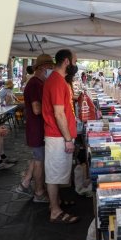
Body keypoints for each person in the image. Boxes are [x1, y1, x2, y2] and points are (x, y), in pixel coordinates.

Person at [42, 49, 79, 224]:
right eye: (75, 61)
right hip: (57, 136)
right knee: (54, 173)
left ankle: (55, 202)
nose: (75, 65)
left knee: (57, 172)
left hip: (59, 136)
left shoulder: (59, 80)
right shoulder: (56, 81)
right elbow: (59, 114)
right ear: (66, 62)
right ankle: (55, 210)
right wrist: (67, 139)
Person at [16, 54, 54, 202]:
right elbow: (37, 109)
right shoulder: (35, 84)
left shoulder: (39, 83)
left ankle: (25, 183)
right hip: (37, 129)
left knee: (37, 157)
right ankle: (39, 192)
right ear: (44, 67)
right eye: (50, 67)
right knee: (39, 160)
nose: (52, 69)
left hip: (37, 128)